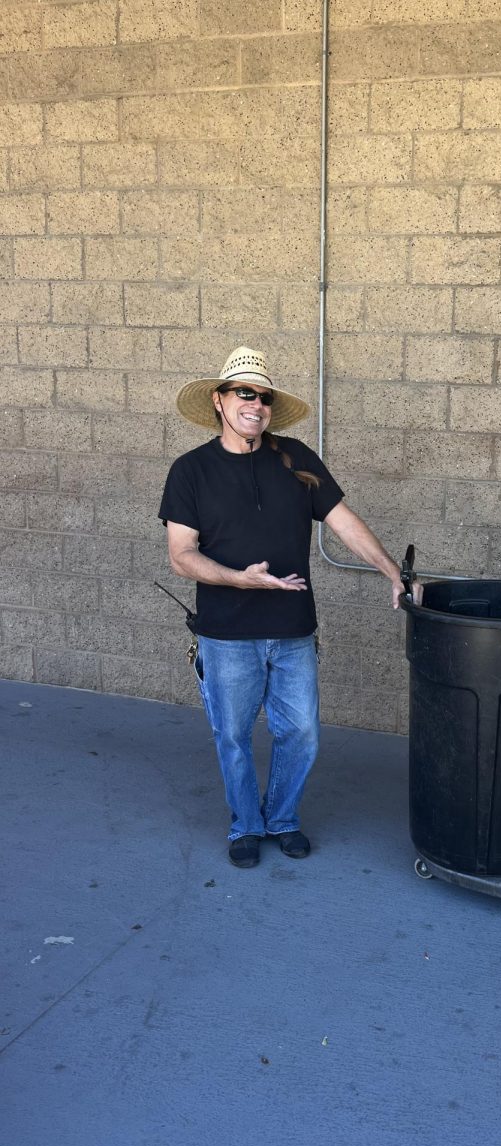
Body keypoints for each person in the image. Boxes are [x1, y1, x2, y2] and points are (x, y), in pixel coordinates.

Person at [158, 346, 421, 869]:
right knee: (232, 736)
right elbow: (181, 557)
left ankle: (281, 818)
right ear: (220, 400)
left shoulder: (296, 457)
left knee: (301, 731)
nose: (255, 405)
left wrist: (395, 573)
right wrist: (242, 580)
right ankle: (245, 825)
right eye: (244, 394)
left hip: (293, 629)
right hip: (226, 633)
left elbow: (344, 521)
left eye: (264, 397)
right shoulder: (191, 471)